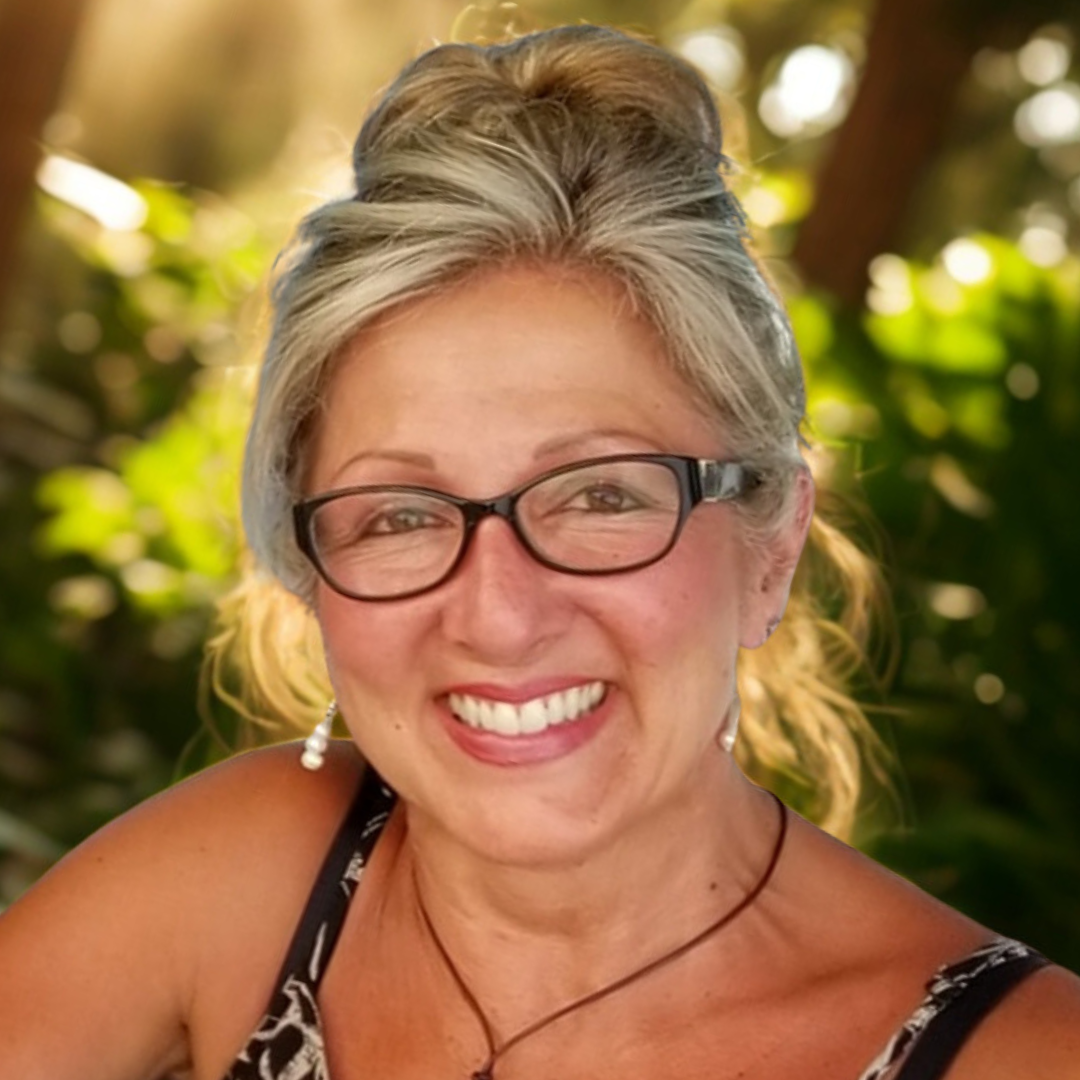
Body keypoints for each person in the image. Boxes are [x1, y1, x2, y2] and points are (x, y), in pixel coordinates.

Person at [1, 23, 1078, 1080]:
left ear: (773, 547)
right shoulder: (244, 884)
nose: (499, 614)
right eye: (400, 514)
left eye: (601, 495)